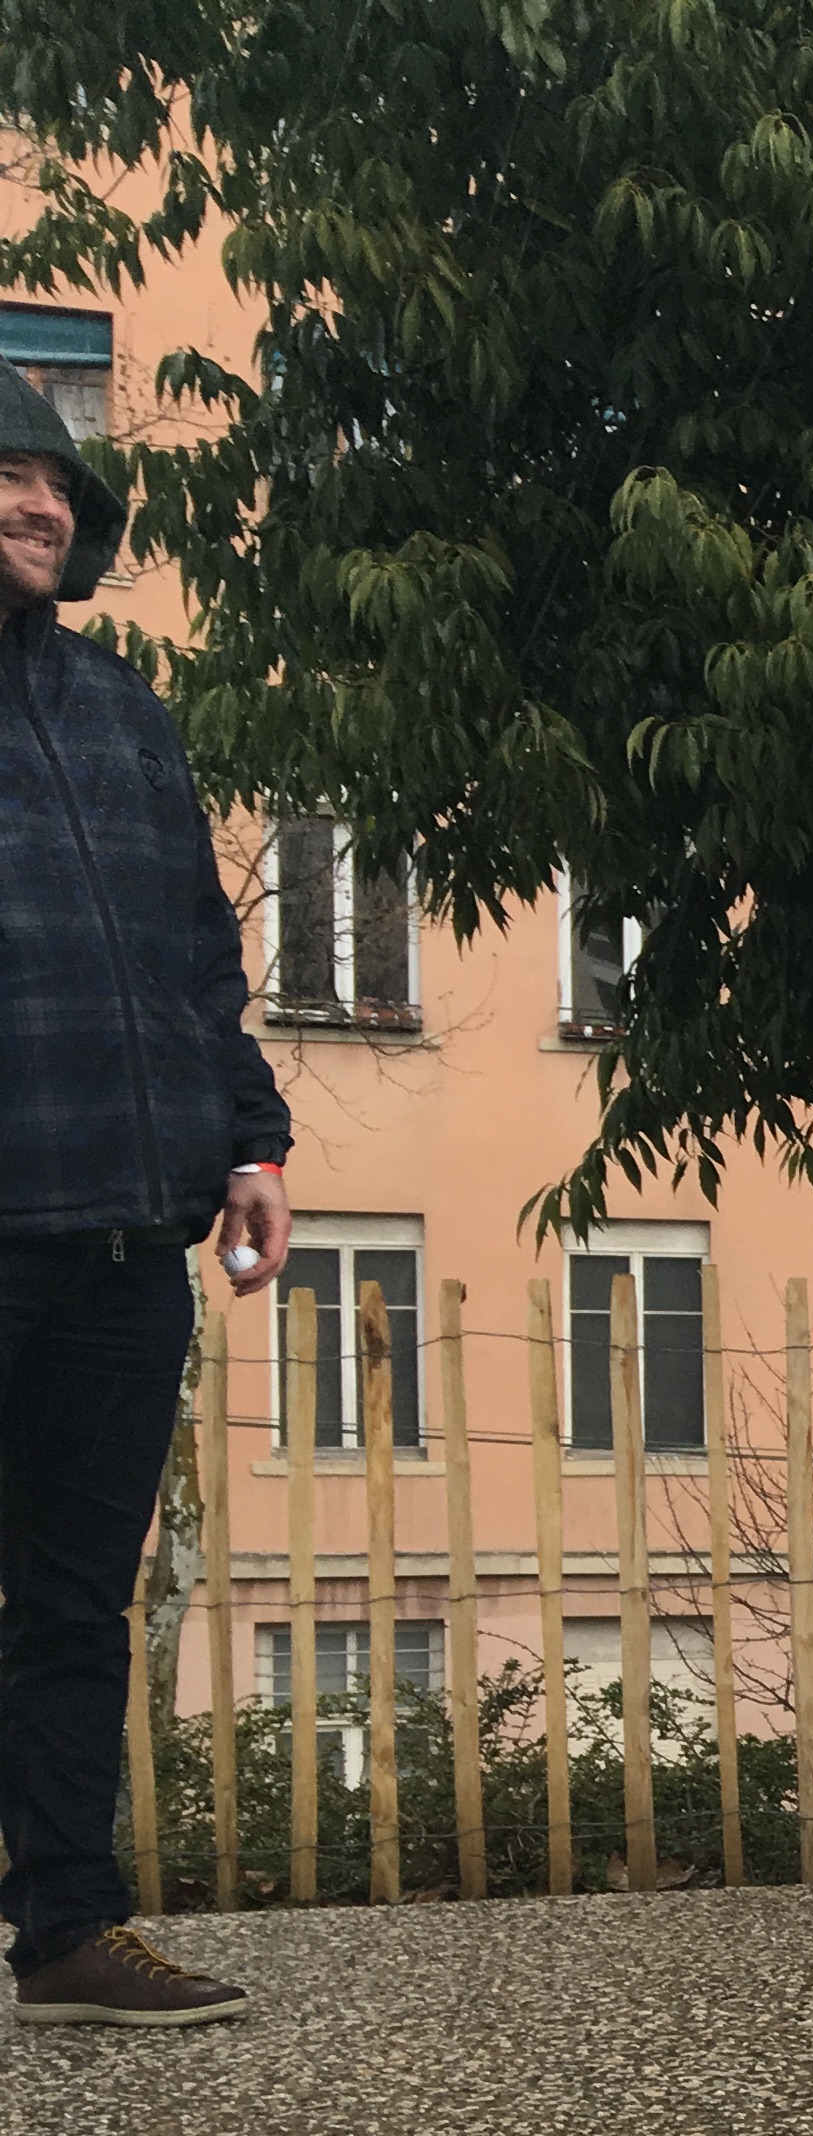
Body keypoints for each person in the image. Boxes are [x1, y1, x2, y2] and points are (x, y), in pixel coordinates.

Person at [0, 366, 292, 2022]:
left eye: (58, 486)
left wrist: (246, 1141)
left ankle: (64, 1933)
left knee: (70, 1604)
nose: (42, 506)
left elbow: (197, 953)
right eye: (9, 477)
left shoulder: (122, 706)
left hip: (125, 1233)